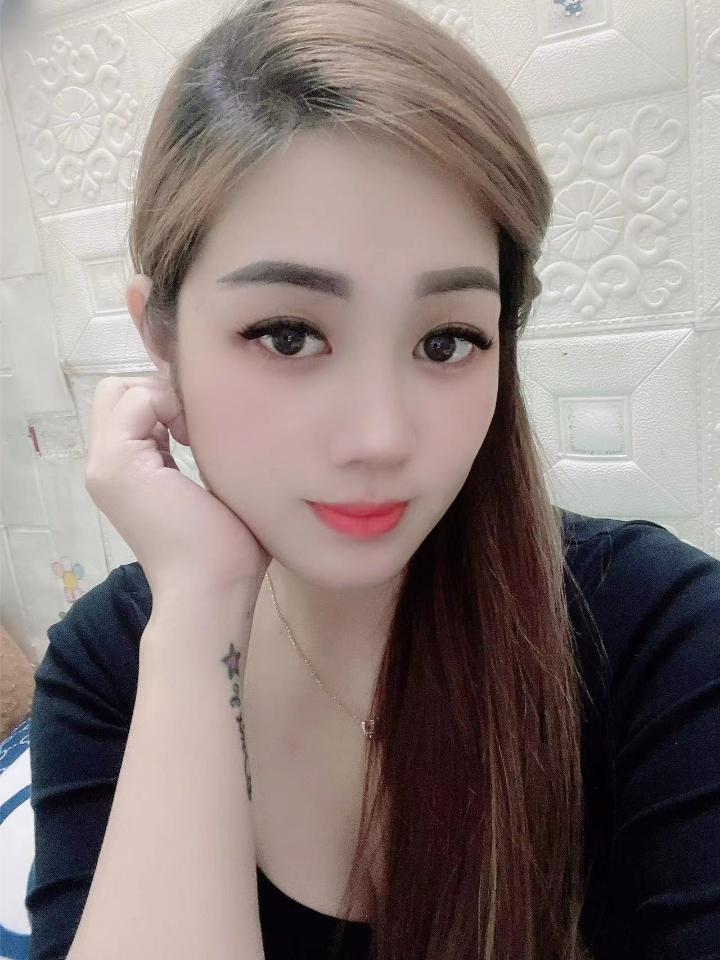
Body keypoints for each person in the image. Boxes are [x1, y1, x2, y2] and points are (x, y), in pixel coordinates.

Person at [25, 0, 720, 958]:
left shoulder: (659, 635)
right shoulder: (109, 664)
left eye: (447, 340)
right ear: (162, 338)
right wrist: (197, 614)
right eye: (288, 334)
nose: (381, 437)